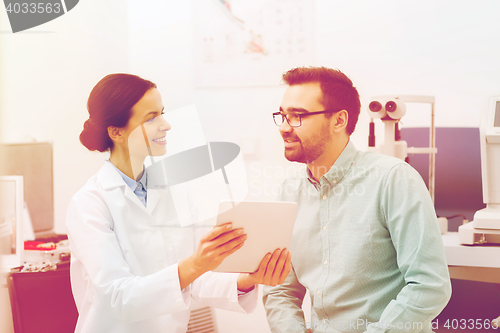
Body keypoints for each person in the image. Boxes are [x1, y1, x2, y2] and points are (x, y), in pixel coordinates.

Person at [66, 73, 292, 333]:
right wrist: (196, 263)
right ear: (117, 132)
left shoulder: (173, 193)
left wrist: (247, 280)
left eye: (162, 113)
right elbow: (118, 298)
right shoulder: (89, 204)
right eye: (151, 118)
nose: (166, 125)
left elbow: (191, 283)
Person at [263, 67, 451, 333]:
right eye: (282, 116)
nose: (284, 128)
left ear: (339, 121)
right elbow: (280, 288)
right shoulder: (289, 192)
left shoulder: (393, 179)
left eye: (298, 116)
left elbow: (430, 285)